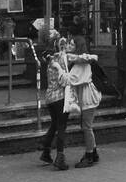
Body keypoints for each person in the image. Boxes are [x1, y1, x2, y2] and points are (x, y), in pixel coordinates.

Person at [39, 33, 72, 170]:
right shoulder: (62, 60)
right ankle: (60, 157)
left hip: (49, 97)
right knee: (61, 127)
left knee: (54, 124)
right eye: (66, 45)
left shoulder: (50, 60)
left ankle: (46, 150)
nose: (68, 47)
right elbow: (64, 79)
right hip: (60, 98)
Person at [68, 42, 103, 168]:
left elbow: (71, 79)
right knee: (86, 125)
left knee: (86, 127)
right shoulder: (82, 60)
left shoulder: (81, 63)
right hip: (87, 97)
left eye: (72, 44)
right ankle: (93, 152)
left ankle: (89, 156)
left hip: (88, 98)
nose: (69, 45)